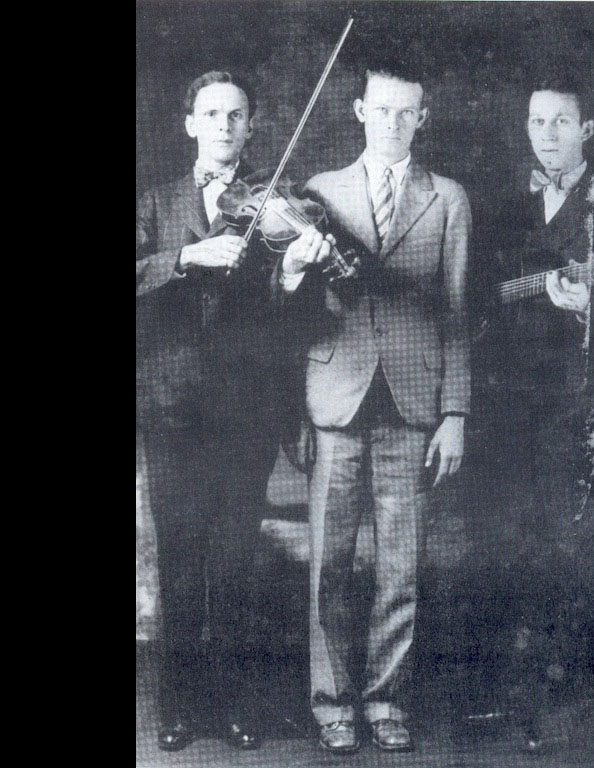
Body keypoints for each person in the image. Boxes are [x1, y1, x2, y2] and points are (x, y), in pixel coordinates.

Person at [277, 59, 472, 754]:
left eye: (406, 112)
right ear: (359, 110)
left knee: (401, 565)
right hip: (334, 399)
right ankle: (332, 703)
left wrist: (455, 413)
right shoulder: (317, 192)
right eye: (380, 109)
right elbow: (292, 312)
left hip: (413, 405)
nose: (392, 122)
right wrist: (295, 266)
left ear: (423, 118)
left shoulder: (448, 198)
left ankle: (386, 700)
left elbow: (455, 313)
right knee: (327, 563)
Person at [136, 70, 311, 752]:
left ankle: (238, 704)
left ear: (251, 126)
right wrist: (187, 255)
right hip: (173, 408)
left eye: (236, 116)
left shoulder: (275, 204)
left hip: (246, 411)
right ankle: (178, 707)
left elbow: (290, 317)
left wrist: (293, 271)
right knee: (179, 558)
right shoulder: (154, 202)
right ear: (189, 124)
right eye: (211, 114)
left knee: (237, 560)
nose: (223, 126)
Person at [472, 71, 594, 747]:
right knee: (513, 538)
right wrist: (542, 286)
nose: (546, 137)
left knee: (583, 543)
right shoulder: (505, 200)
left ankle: (583, 699)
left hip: (591, 402)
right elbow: (478, 294)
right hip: (514, 402)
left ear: (588, 130)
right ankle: (520, 693)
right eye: (536, 122)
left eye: (560, 123)